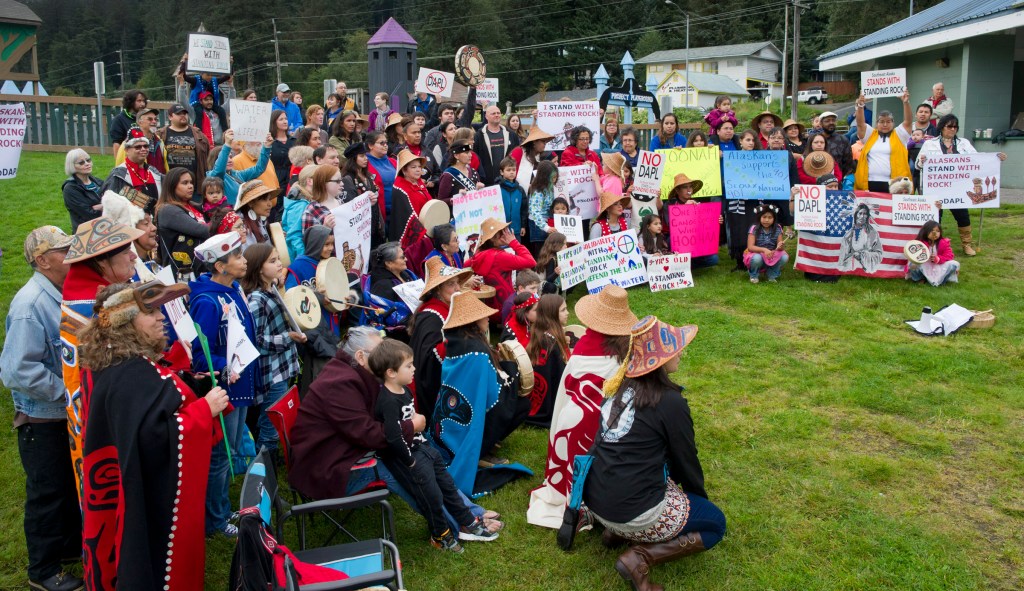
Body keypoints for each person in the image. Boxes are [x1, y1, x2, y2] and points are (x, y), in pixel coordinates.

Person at [77, 281, 228, 591]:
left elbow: (145, 417)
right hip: (146, 500)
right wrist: (204, 411)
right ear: (126, 322)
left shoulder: (115, 362)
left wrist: (188, 382)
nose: (162, 317)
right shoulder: (131, 373)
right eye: (151, 312)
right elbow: (152, 439)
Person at [577, 316, 725, 591]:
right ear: (658, 360)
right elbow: (685, 459)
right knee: (715, 523)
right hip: (630, 510)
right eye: (674, 349)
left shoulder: (618, 387)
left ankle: (616, 533)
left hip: (597, 500)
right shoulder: (670, 401)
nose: (680, 353)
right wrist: (697, 499)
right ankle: (640, 557)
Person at [1, 227, 82, 591]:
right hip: (42, 419)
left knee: (66, 485)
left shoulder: (61, 291)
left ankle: (67, 547)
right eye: (64, 250)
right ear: (43, 260)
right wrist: (68, 392)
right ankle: (43, 571)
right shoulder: (30, 306)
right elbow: (17, 370)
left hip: (61, 414)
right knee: (47, 494)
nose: (71, 255)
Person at [368, 338, 498, 553]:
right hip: (410, 457)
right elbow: (393, 437)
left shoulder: (404, 391)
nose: (414, 369)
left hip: (424, 448)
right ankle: (440, 535)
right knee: (431, 496)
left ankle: (467, 521)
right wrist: (409, 461)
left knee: (448, 486)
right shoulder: (387, 401)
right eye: (408, 365)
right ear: (391, 372)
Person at [526, 285, 636, 528]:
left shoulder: (582, 348)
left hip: (573, 422)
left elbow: (565, 393)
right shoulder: (628, 352)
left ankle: (578, 496)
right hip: (608, 427)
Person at [60, 218, 145, 502]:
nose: (133, 256)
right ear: (101, 262)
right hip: (106, 420)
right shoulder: (98, 308)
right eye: (126, 251)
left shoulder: (87, 293)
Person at [188, 232, 258, 537]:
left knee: (231, 451)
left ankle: (221, 508)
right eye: (237, 257)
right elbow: (198, 355)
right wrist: (224, 365)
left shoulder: (234, 289)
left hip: (241, 386)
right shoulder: (207, 301)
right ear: (219, 266)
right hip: (224, 391)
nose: (244, 261)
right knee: (220, 456)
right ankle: (214, 520)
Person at [431, 290, 532, 495]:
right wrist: (512, 372)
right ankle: (481, 449)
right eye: (483, 316)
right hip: (467, 421)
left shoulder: (454, 341)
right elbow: (494, 396)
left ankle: (484, 445)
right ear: (473, 322)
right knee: (522, 405)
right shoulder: (477, 350)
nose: (487, 318)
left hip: (445, 425)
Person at [242, 243, 306, 458]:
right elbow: (257, 342)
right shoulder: (256, 300)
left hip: (282, 368)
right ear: (258, 268)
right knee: (271, 426)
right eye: (272, 261)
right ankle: (264, 467)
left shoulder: (271, 289)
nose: (280, 264)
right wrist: (289, 338)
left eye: (278, 258)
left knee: (275, 420)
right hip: (272, 374)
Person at [915, 114, 1007, 256]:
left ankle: (967, 244)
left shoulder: (964, 143)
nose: (953, 129)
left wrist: (995, 158)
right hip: (937, 188)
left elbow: (977, 159)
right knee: (935, 217)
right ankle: (933, 245)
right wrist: (922, 160)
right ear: (942, 127)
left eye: (955, 127)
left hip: (958, 188)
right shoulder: (929, 144)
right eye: (949, 126)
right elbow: (917, 165)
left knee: (962, 215)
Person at [469, 218, 536, 313]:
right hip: (506, 306)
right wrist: (514, 242)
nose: (506, 233)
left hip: (488, 307)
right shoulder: (499, 257)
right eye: (502, 232)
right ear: (492, 238)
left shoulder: (479, 254)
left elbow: (465, 266)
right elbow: (531, 262)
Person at [524, 294, 570, 427]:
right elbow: (559, 380)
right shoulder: (550, 344)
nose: (567, 313)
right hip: (547, 404)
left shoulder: (544, 335)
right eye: (563, 310)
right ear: (551, 314)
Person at [854, 91, 913, 192]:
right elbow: (860, 124)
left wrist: (906, 102)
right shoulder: (870, 134)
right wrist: (860, 105)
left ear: (893, 123)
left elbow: (908, 121)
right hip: (869, 182)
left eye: (888, 121)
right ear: (876, 123)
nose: (885, 124)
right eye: (881, 121)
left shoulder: (899, 134)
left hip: (895, 183)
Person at [156, 103, 211, 201]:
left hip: (194, 187)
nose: (183, 115)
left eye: (184, 113)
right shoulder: (160, 135)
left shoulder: (199, 135)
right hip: (170, 186)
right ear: (170, 117)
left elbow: (208, 158)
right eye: (178, 114)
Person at [364, 242, 419, 341]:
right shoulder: (382, 285)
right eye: (402, 257)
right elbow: (384, 317)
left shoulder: (405, 274)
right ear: (389, 263)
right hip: (396, 336)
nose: (406, 259)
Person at [207, 130, 273, 206]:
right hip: (226, 212)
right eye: (226, 158)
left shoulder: (237, 174)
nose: (229, 160)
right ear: (216, 161)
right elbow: (219, 170)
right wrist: (227, 144)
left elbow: (259, 168)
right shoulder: (214, 177)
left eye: (230, 157)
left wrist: (266, 147)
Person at [102, 126, 162, 209]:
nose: (143, 149)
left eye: (146, 146)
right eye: (138, 147)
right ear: (127, 150)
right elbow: (109, 202)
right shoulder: (118, 175)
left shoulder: (154, 172)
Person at [341, 142, 386, 248]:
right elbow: (350, 205)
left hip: (375, 223)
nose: (366, 158)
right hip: (362, 227)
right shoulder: (348, 179)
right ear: (353, 159)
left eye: (365, 155)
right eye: (361, 156)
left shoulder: (368, 176)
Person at [474, 105, 520, 185]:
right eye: (493, 113)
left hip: (508, 181)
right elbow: (475, 158)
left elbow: (517, 156)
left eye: (498, 113)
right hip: (487, 182)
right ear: (486, 116)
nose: (496, 115)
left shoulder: (511, 134)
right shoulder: (479, 135)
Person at [114, 107, 166, 174]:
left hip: (160, 178)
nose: (154, 122)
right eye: (150, 119)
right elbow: (121, 169)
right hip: (138, 179)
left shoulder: (159, 141)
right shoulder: (129, 143)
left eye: (156, 119)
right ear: (140, 122)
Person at [906, 220, 959, 286]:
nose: (935, 233)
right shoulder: (920, 243)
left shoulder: (944, 243)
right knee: (913, 263)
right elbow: (914, 255)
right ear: (925, 231)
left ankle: (942, 280)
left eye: (938, 231)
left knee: (953, 264)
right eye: (932, 231)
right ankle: (920, 278)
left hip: (938, 266)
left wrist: (938, 259)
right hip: (924, 265)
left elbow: (949, 255)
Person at [745, 204, 788, 284]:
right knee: (757, 258)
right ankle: (754, 275)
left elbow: (780, 247)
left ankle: (771, 274)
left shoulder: (778, 228)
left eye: (770, 217)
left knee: (784, 257)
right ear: (759, 217)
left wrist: (781, 246)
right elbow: (750, 247)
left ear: (774, 219)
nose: (767, 220)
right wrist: (764, 250)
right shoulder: (754, 228)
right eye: (764, 217)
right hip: (757, 253)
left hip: (772, 253)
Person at [63, 148, 104, 232]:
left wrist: (102, 207)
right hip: (87, 232)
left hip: (106, 227)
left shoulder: (98, 182)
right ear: (72, 166)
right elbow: (89, 214)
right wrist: (108, 207)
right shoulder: (70, 188)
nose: (87, 164)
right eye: (81, 163)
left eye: (88, 160)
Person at [838, 202, 883, 274]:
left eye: (865, 214)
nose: (862, 216)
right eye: (860, 213)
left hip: (865, 270)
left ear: (867, 216)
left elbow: (879, 254)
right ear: (856, 215)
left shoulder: (873, 233)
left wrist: (862, 255)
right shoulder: (848, 235)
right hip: (850, 269)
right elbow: (842, 258)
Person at [509, 126, 555, 194]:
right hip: (516, 192)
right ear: (534, 142)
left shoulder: (539, 156)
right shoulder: (518, 152)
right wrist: (526, 186)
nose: (545, 143)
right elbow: (509, 172)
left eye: (546, 141)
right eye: (543, 141)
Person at [437, 139, 484, 205]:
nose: (470, 155)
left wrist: (479, 190)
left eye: (470, 152)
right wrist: (455, 199)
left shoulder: (473, 172)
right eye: (466, 152)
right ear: (456, 155)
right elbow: (441, 201)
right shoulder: (448, 175)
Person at [527, 160, 559, 250]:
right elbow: (534, 211)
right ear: (544, 177)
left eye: (555, 177)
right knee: (540, 251)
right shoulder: (538, 191)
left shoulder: (549, 187)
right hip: (538, 224)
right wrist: (545, 227)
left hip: (547, 221)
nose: (554, 180)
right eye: (552, 177)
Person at [301, 164, 342, 233]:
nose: (342, 184)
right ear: (323, 183)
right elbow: (309, 238)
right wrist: (325, 228)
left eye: (341, 180)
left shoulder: (340, 202)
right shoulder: (312, 210)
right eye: (337, 181)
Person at [366, 131, 397, 220]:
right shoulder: (365, 163)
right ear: (370, 145)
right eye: (381, 143)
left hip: (397, 210)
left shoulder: (394, 162)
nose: (385, 145)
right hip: (379, 213)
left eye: (386, 142)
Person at [815, 111, 855, 178]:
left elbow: (848, 164)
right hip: (816, 179)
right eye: (827, 121)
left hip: (837, 180)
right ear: (821, 124)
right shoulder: (815, 139)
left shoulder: (843, 140)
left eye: (833, 120)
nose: (831, 123)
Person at [497, 156, 529, 239]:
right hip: (501, 230)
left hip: (516, 230)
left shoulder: (520, 190)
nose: (511, 172)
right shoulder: (497, 189)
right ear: (501, 172)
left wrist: (523, 226)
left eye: (513, 170)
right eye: (508, 170)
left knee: (516, 247)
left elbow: (524, 210)